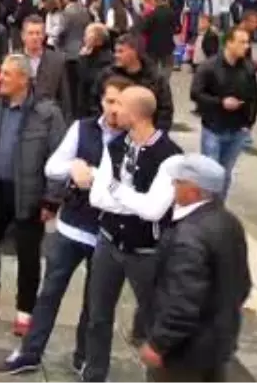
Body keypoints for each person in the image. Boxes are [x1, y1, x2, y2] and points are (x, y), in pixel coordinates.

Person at [0, 76, 130, 374]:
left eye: (121, 103)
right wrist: (72, 167)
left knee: (96, 305)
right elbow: (52, 166)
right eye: (110, 101)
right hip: (72, 227)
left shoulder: (134, 139)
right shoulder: (82, 128)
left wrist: (93, 175)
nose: (114, 109)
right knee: (50, 293)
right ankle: (30, 352)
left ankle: (84, 358)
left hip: (108, 235)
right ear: (101, 101)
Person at [81, 86, 182, 383]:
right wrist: (131, 198)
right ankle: (94, 375)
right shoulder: (115, 146)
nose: (113, 109)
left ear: (136, 114)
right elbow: (96, 199)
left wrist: (113, 187)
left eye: (120, 104)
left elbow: (152, 210)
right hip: (108, 242)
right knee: (97, 316)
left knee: (154, 321)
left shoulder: (170, 156)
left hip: (147, 252)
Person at [0, 54, 66, 337]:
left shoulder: (47, 113)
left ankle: (26, 310)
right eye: (2, 72)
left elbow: (60, 157)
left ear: (24, 79)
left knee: (28, 255)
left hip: (30, 195)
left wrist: (52, 199)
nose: (1, 78)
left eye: (7, 74)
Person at [140, 155, 252, 383]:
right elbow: (243, 284)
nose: (173, 186)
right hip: (218, 346)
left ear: (193, 190)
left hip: (184, 354)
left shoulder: (188, 236)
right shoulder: (229, 221)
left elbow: (181, 303)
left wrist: (158, 344)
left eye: (178, 181)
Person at [190, 28, 257, 199]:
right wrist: (220, 102)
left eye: (247, 42)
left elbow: (254, 97)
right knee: (209, 174)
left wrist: (248, 124)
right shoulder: (209, 66)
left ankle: (218, 210)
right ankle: (204, 210)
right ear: (229, 43)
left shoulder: (248, 68)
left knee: (225, 174)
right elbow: (195, 93)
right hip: (214, 128)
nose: (247, 46)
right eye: (242, 42)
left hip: (237, 130)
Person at [91, 33, 175, 131]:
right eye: (115, 51)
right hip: (111, 132)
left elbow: (165, 110)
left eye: (121, 51)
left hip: (143, 134)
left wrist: (155, 135)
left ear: (134, 52)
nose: (116, 55)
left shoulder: (155, 78)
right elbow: (94, 102)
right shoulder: (107, 75)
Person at [20, 15, 72, 118]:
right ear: (23, 36)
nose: (35, 37)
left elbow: (65, 98)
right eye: (30, 33)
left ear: (43, 36)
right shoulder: (13, 60)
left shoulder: (57, 61)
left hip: (48, 120)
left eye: (38, 33)